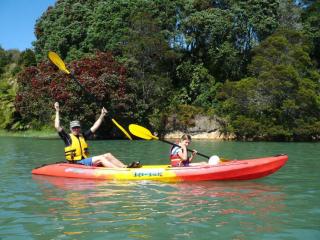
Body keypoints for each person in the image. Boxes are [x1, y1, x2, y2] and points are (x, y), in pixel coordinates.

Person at [54, 102, 127, 168]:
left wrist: (102, 115)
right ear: (71, 129)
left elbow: (95, 127)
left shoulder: (83, 136)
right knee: (101, 158)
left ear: (80, 128)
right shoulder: (67, 138)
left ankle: (125, 167)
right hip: (77, 164)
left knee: (108, 155)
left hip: (84, 162)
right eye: (74, 128)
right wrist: (57, 110)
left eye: (77, 127)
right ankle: (118, 171)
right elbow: (57, 126)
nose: (76, 129)